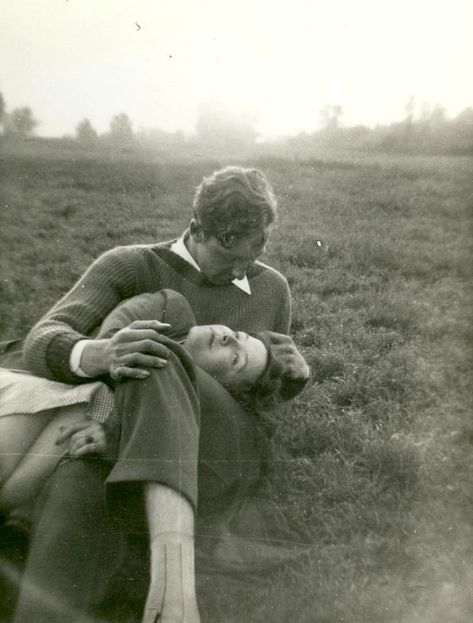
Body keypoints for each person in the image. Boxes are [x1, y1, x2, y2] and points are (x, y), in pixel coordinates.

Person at [3, 166, 308, 622]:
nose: (242, 268)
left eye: (257, 249)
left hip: (210, 437)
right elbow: (44, 338)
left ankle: (174, 580)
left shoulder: (271, 288)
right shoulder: (131, 265)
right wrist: (101, 355)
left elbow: (261, 395)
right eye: (227, 252)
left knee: (160, 354)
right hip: (127, 427)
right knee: (82, 471)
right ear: (195, 228)